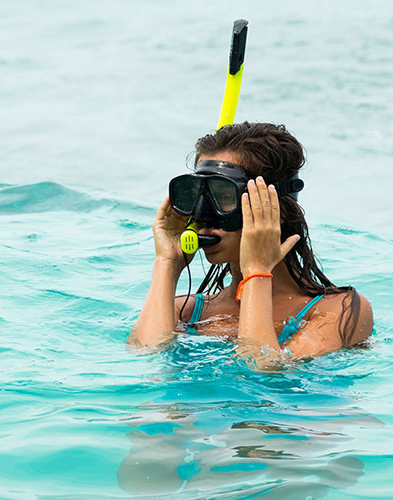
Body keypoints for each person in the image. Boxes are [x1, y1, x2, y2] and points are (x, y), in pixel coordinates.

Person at [128, 122, 373, 367]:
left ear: (277, 210)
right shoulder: (187, 311)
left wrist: (257, 271)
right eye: (197, 195)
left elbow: (259, 371)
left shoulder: (338, 310)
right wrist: (166, 263)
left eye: (224, 197)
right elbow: (148, 359)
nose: (203, 214)